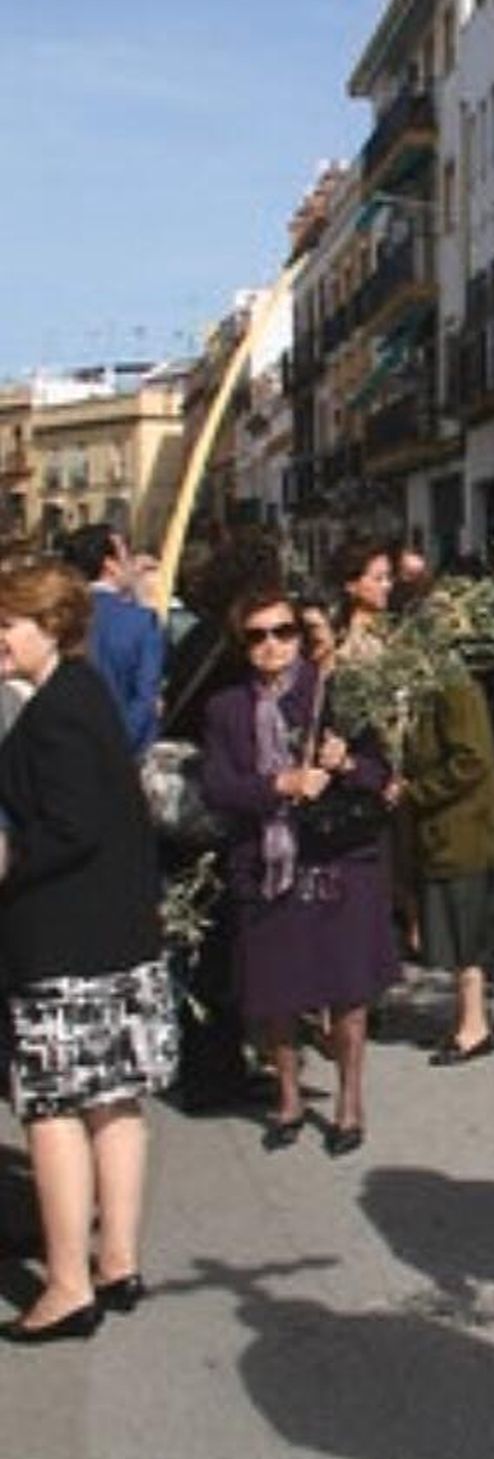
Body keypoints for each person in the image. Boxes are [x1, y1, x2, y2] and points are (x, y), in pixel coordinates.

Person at [0, 558, 178, 1341]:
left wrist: (8, 858)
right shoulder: (83, 696)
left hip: (65, 943)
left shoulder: (58, 709)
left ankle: (69, 1281)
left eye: (8, 624)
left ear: (53, 626)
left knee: (55, 1109)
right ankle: (118, 1258)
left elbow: (70, 827)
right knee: (115, 1103)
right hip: (114, 937)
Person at [201, 585, 397, 1155]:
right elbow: (216, 787)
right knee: (277, 992)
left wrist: (347, 762)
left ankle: (349, 1102)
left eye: (283, 632)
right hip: (266, 863)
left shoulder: (336, 692)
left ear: (301, 636)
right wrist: (277, 786)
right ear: (242, 643)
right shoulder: (225, 708)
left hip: (337, 859)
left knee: (347, 989)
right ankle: (286, 1097)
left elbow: (383, 773)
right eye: (257, 635)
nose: (272, 645)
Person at [403, 654, 494, 1063]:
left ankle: (474, 1026)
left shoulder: (455, 686)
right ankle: (467, 1021)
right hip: (451, 828)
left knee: (466, 928)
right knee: (458, 927)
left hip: (465, 828)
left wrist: (415, 792)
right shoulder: (438, 683)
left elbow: (471, 759)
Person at [60, 521, 164, 754]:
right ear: (110, 565)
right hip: (126, 753)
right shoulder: (141, 621)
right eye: (126, 556)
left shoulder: (60, 619)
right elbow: (145, 695)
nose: (131, 565)